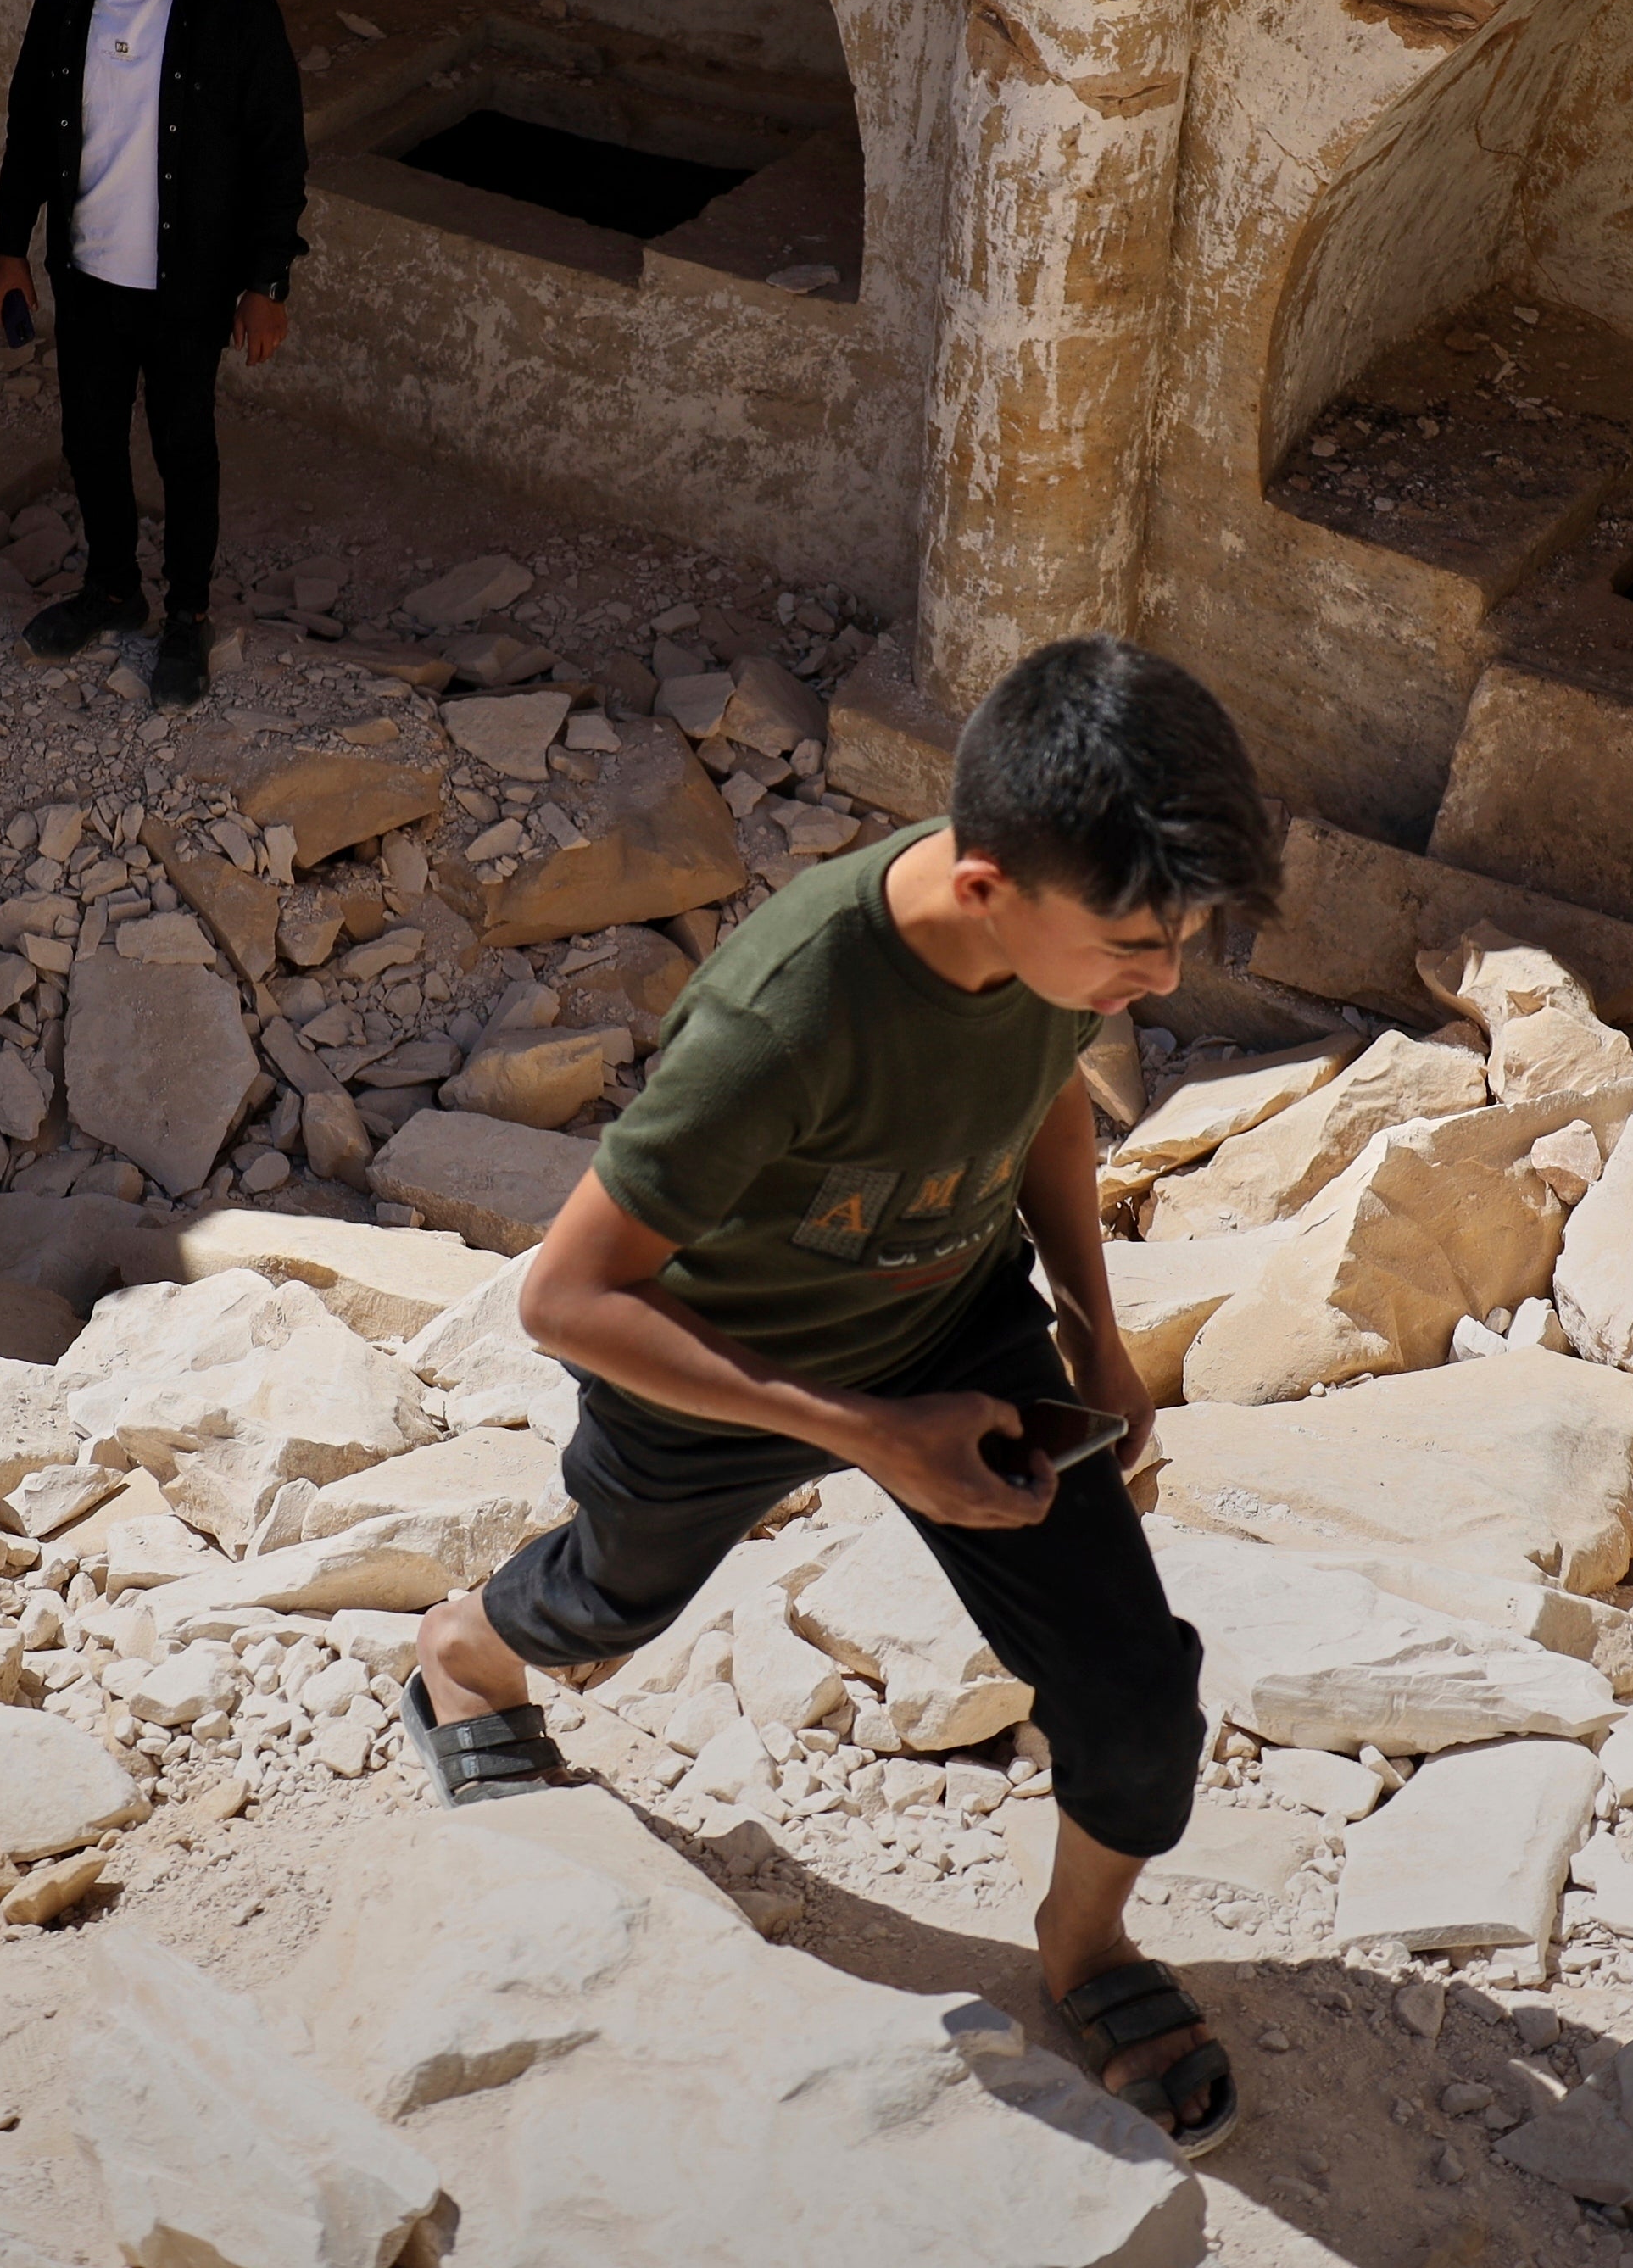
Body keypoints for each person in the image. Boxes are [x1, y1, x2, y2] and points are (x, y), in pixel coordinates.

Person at [393, 633, 1285, 2162]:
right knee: (606, 1609)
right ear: (990, 885)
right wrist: (865, 1437)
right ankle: (460, 1657)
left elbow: (1048, 1101)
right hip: (716, 1365)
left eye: (1182, 936)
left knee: (1138, 1697)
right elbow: (566, 1296)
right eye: (1142, 944)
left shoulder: (1053, 943)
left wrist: (1089, 1324)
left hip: (954, 1329)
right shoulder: (791, 1013)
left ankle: (1084, 1951)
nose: (1166, 976)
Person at [0, 0, 308, 709]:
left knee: (182, 448)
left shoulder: (236, 7)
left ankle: (189, 617)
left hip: (188, 285)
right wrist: (11, 247)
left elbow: (279, 154)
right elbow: (27, 135)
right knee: (89, 440)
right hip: (87, 277)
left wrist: (265, 281)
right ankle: (114, 591)